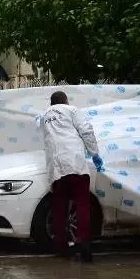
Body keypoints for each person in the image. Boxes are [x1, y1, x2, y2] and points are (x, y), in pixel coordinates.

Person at [38, 91, 103, 262]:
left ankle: (61, 246)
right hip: (74, 162)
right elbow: (86, 131)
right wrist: (94, 153)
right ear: (65, 101)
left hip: (56, 167)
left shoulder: (43, 117)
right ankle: (83, 241)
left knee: (59, 206)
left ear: (51, 103)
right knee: (82, 204)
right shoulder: (72, 110)